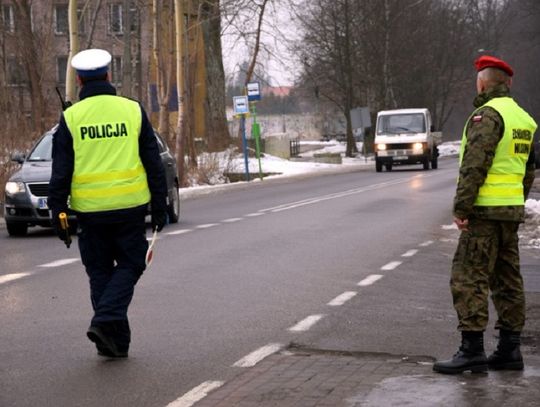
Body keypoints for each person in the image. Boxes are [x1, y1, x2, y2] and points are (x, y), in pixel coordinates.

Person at [48, 49, 168, 358]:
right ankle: (105, 323)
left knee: (100, 272)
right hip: (130, 208)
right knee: (131, 264)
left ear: (78, 80)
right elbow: (153, 162)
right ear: (109, 75)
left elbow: (60, 172)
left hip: (90, 213)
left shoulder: (71, 117)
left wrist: (58, 212)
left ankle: (113, 343)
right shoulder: (132, 110)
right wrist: (160, 204)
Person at [433, 55, 537, 374]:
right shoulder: (524, 119)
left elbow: (474, 165)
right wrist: (515, 203)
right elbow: (529, 170)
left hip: (484, 212)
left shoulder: (486, 116)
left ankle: (472, 350)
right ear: (508, 84)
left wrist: (463, 208)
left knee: (469, 275)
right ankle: (509, 350)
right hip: (509, 212)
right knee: (507, 279)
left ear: (482, 82)